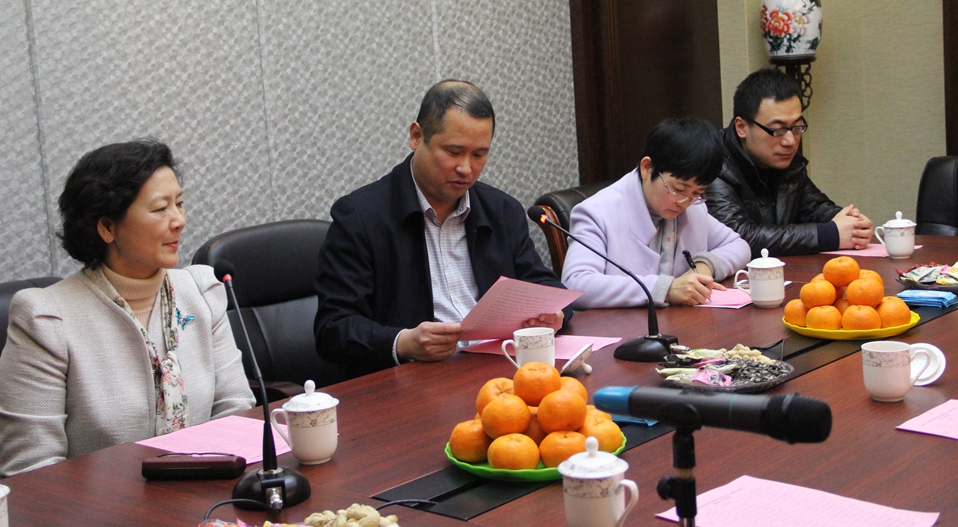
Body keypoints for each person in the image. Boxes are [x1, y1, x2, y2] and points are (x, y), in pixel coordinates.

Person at [0, 140, 254, 477]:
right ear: (107, 227)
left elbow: (236, 411)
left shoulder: (201, 291)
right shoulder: (46, 319)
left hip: (208, 492)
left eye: (179, 204)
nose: (179, 220)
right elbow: (31, 468)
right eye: (160, 208)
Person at [314, 80, 567, 380]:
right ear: (416, 136)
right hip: (413, 382)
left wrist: (555, 314)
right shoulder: (361, 217)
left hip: (498, 372)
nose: (466, 168)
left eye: (479, 154)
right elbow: (334, 329)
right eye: (454, 151)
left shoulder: (501, 210)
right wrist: (403, 342)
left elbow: (544, 287)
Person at [562, 117, 751, 309]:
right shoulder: (597, 213)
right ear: (646, 168)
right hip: (623, 325)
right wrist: (665, 289)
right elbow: (576, 283)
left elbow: (738, 246)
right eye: (678, 189)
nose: (685, 203)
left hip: (680, 322)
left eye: (697, 193)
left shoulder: (694, 206)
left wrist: (704, 267)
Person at [706, 68, 873, 255]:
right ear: (742, 127)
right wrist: (829, 234)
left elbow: (814, 207)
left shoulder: (784, 160)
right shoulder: (712, 163)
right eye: (778, 130)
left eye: (797, 127)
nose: (790, 141)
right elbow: (739, 238)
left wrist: (852, 224)